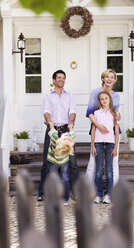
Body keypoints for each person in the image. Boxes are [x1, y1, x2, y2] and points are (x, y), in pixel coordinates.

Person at [37, 69, 78, 201]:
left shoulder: (70, 96)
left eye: (63, 78)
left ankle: (75, 191)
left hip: (66, 130)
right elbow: (47, 111)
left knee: (72, 162)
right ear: (54, 80)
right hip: (52, 130)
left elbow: (72, 111)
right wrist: (49, 122)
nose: (61, 79)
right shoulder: (48, 96)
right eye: (59, 77)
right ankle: (42, 192)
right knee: (47, 161)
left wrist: (71, 121)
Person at [86, 69, 121, 187]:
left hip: (112, 133)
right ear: (103, 79)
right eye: (107, 77)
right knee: (93, 162)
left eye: (112, 77)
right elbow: (90, 112)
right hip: (97, 132)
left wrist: (119, 116)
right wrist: (99, 126)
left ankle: (114, 191)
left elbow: (115, 114)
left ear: (115, 80)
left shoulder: (116, 96)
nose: (109, 79)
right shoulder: (95, 92)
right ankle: (88, 189)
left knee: (114, 163)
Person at [91, 91, 119, 204]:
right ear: (100, 101)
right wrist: (92, 146)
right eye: (102, 99)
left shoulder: (115, 114)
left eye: (106, 98)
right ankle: (98, 194)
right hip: (98, 143)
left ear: (110, 99)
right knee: (98, 170)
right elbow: (93, 131)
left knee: (109, 171)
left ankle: (109, 194)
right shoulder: (96, 113)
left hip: (110, 144)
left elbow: (116, 132)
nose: (104, 101)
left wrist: (116, 147)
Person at [46, 122, 76, 205]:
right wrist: (71, 128)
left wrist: (51, 124)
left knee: (53, 179)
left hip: (53, 161)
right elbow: (73, 134)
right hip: (64, 161)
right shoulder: (70, 141)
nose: (66, 134)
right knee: (65, 178)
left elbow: (52, 130)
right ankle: (65, 199)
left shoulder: (55, 139)